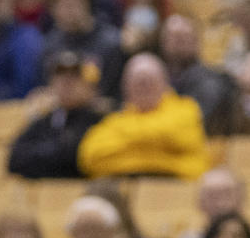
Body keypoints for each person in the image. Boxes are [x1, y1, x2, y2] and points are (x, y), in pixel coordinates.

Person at [78, 53, 212, 181]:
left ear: (164, 83)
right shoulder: (114, 120)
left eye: (149, 81)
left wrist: (126, 141)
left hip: (177, 187)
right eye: (137, 83)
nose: (143, 87)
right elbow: (89, 156)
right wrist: (159, 153)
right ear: (125, 87)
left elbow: (180, 137)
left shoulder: (186, 109)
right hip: (123, 185)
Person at [8, 52, 104, 180]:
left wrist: (45, 153)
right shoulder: (43, 121)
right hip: (44, 195)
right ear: (51, 83)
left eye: (74, 76)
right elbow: (15, 160)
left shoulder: (99, 120)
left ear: (88, 85)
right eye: (60, 76)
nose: (66, 82)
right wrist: (57, 151)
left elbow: (78, 158)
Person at [40, 0, 123, 98]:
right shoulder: (50, 46)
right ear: (53, 9)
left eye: (76, 1)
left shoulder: (111, 43)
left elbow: (117, 99)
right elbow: (46, 90)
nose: (70, 8)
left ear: (88, 4)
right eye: (63, 2)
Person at [158, 13, 233, 133]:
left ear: (196, 42)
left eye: (184, 38)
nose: (179, 44)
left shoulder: (210, 81)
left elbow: (196, 119)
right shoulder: (155, 77)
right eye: (175, 38)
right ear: (163, 42)